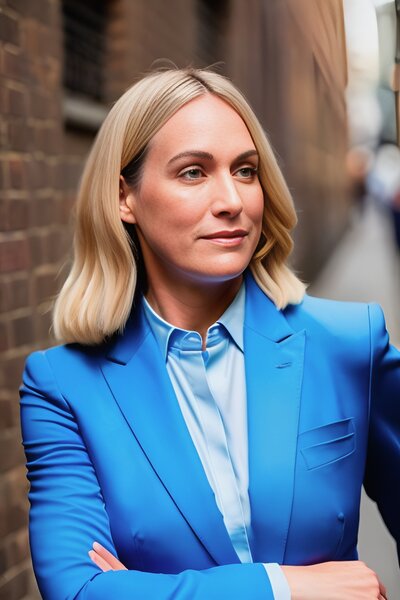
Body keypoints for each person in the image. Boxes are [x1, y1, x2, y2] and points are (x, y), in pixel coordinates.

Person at [20, 67, 399, 600]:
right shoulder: (62, 386)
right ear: (124, 197)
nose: (232, 200)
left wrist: (142, 588)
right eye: (193, 172)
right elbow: (79, 591)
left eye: (245, 171)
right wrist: (282, 587)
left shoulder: (347, 342)